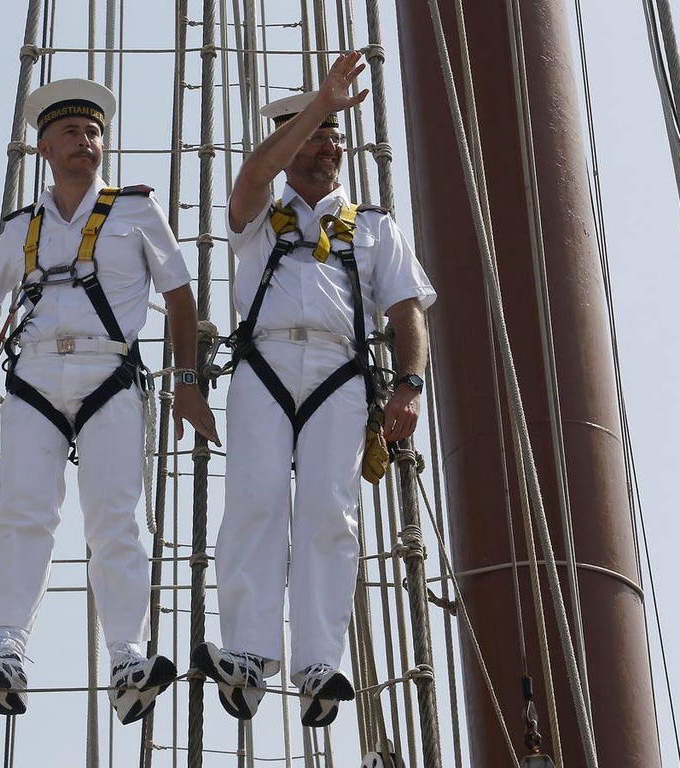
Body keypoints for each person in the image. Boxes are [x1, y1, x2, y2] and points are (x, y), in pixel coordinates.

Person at [0, 78, 221, 724]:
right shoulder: (24, 226)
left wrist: (186, 383)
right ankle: (8, 648)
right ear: (45, 147)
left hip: (110, 375)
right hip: (34, 381)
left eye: (94, 132)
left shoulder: (135, 212)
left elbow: (181, 299)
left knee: (117, 520)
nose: (86, 141)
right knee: (23, 512)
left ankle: (129, 658)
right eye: (72, 133)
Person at [192, 52, 436, 728]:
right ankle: (246, 651)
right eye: (313, 136)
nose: (325, 148)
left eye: (333, 138)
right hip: (264, 366)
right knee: (254, 501)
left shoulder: (374, 226)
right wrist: (316, 107)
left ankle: (319, 663)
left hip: (341, 373)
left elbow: (408, 311)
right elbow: (250, 177)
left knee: (331, 513)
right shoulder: (258, 219)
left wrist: (410, 383)